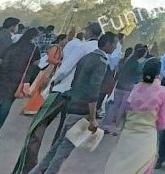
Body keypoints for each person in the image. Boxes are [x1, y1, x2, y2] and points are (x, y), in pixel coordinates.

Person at [12, 22, 103, 174]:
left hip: (61, 91)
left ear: (89, 32)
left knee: (37, 129)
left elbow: (65, 68)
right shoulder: (100, 53)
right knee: (61, 139)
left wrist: (54, 81)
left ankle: (26, 168)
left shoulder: (82, 47)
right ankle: (47, 169)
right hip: (77, 99)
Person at [29, 32, 118, 174]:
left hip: (73, 105)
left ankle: (36, 171)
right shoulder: (101, 63)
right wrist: (93, 117)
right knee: (63, 151)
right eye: (114, 43)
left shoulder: (87, 57)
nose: (115, 47)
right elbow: (94, 91)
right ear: (107, 44)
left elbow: (76, 81)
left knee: (58, 146)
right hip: (82, 111)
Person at [103, 57, 165, 174]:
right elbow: (162, 124)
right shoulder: (163, 91)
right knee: (143, 168)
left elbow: (125, 112)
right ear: (159, 73)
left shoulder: (135, 88)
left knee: (119, 167)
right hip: (146, 139)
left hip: (127, 136)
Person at [0, 27, 39, 139]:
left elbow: (0, 61)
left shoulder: (13, 46)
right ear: (34, 37)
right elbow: (36, 65)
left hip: (1, 78)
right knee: (6, 106)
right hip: (17, 81)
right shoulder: (34, 49)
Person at [103, 43, 147, 131]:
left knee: (115, 105)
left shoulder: (128, 60)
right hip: (128, 88)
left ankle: (107, 123)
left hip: (119, 85)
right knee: (122, 107)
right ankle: (117, 125)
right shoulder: (136, 63)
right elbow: (137, 74)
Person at [23, 33, 67, 115]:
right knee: (41, 89)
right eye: (65, 40)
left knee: (42, 89)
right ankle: (31, 108)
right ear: (61, 40)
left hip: (51, 70)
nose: (66, 41)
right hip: (48, 70)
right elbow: (51, 59)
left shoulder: (59, 48)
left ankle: (33, 108)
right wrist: (60, 62)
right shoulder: (55, 48)